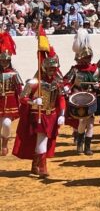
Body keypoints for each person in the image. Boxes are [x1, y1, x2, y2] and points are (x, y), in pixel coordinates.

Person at [13, 48, 66, 178]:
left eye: (54, 69)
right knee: (42, 140)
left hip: (52, 115)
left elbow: (61, 99)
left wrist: (62, 114)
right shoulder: (34, 82)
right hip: (38, 115)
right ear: (44, 69)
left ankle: (35, 164)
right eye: (51, 69)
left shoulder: (57, 82)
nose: (53, 71)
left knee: (44, 140)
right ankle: (42, 166)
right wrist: (33, 101)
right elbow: (22, 98)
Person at [63, 29, 100, 156]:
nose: (85, 60)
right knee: (81, 122)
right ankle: (79, 141)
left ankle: (87, 147)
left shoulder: (95, 70)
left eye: (87, 57)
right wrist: (66, 87)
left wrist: (99, 85)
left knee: (90, 124)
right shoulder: (75, 70)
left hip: (92, 98)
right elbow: (67, 81)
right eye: (84, 58)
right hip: (78, 98)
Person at [0, 33, 22, 156]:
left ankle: (4, 143)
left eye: (6, 60)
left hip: (10, 102)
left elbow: (20, 89)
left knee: (7, 123)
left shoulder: (14, 73)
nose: (4, 63)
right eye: (2, 60)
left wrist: (23, 101)